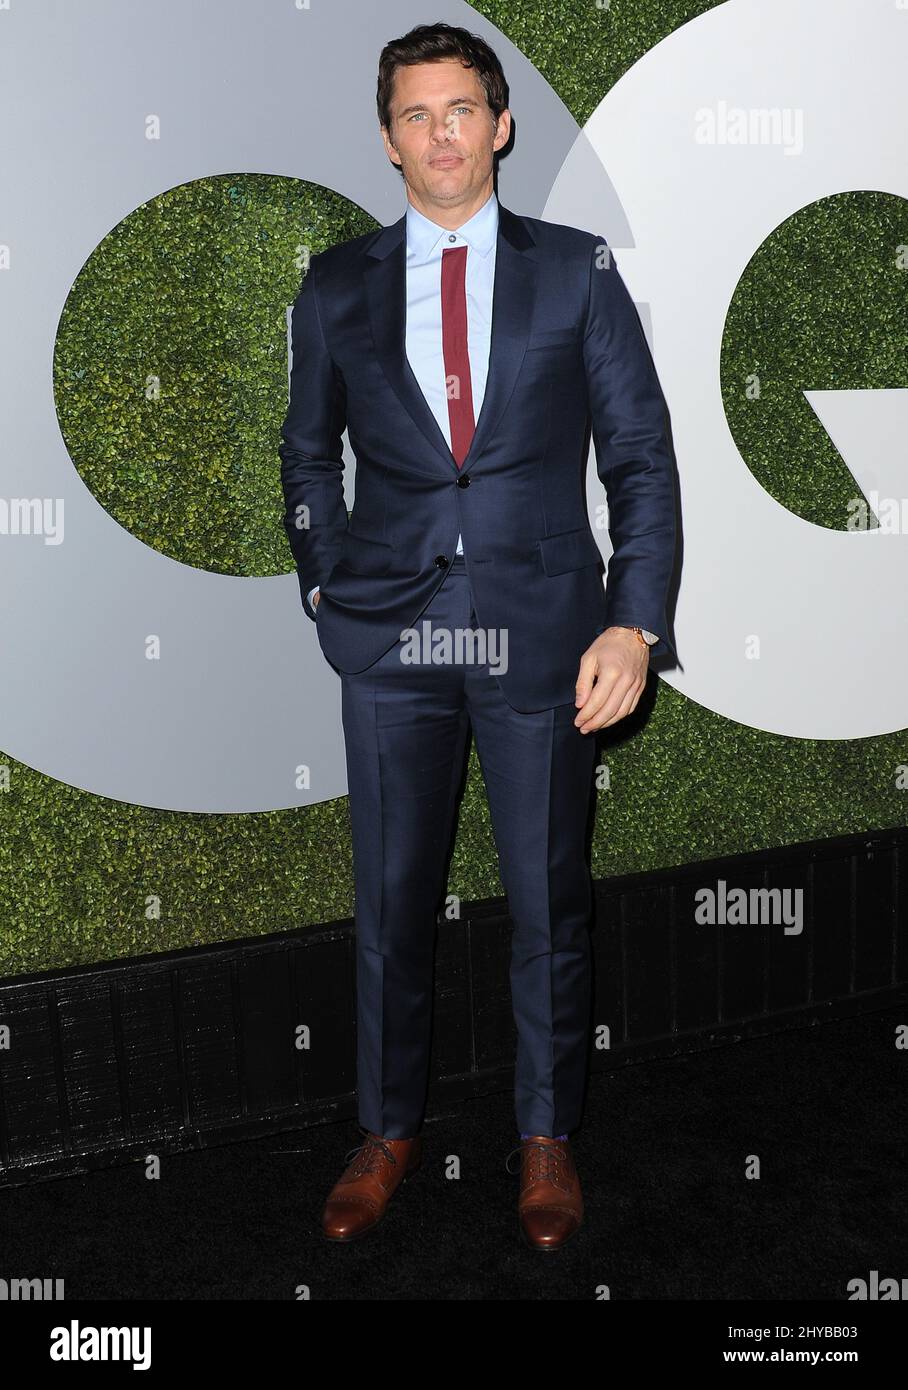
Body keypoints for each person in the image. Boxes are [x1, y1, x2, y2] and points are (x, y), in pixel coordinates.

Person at [279, 20, 676, 1251]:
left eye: (462, 110)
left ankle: (546, 1135)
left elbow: (642, 463)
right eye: (416, 114)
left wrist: (635, 621)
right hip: (393, 647)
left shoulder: (576, 271)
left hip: (544, 642)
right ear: (388, 137)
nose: (440, 134)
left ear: (500, 125)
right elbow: (305, 458)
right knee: (389, 906)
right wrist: (320, 581)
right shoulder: (336, 283)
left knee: (548, 899)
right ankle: (388, 1128)